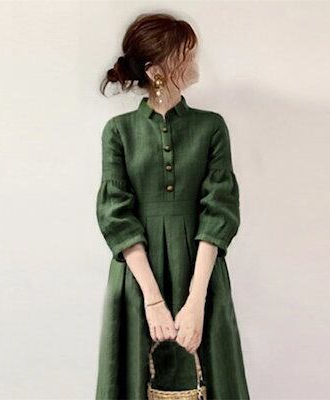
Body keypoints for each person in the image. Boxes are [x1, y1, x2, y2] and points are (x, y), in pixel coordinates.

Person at [95, 12, 250, 400]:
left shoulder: (211, 127)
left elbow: (219, 212)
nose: (195, 60)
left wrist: (196, 302)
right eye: (187, 53)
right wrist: (153, 301)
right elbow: (116, 216)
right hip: (139, 280)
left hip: (200, 274)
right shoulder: (119, 132)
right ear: (157, 71)